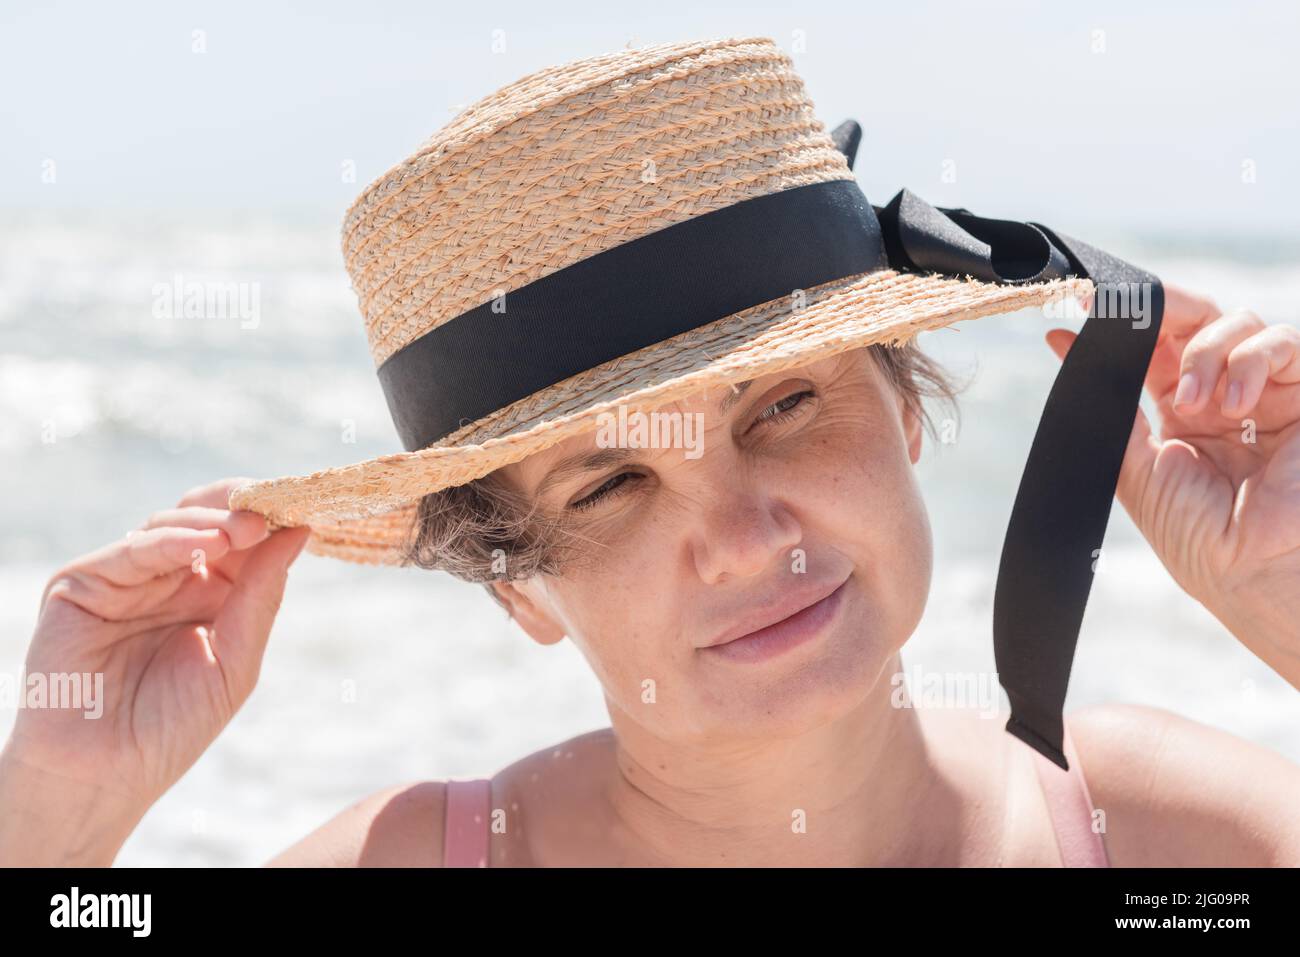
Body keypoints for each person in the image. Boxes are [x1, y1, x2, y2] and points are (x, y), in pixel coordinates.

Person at [2, 36, 1297, 868]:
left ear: (905, 406)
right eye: (611, 482)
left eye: (784, 407)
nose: (743, 534)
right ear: (515, 584)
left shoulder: (1158, 838)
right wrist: (59, 822)